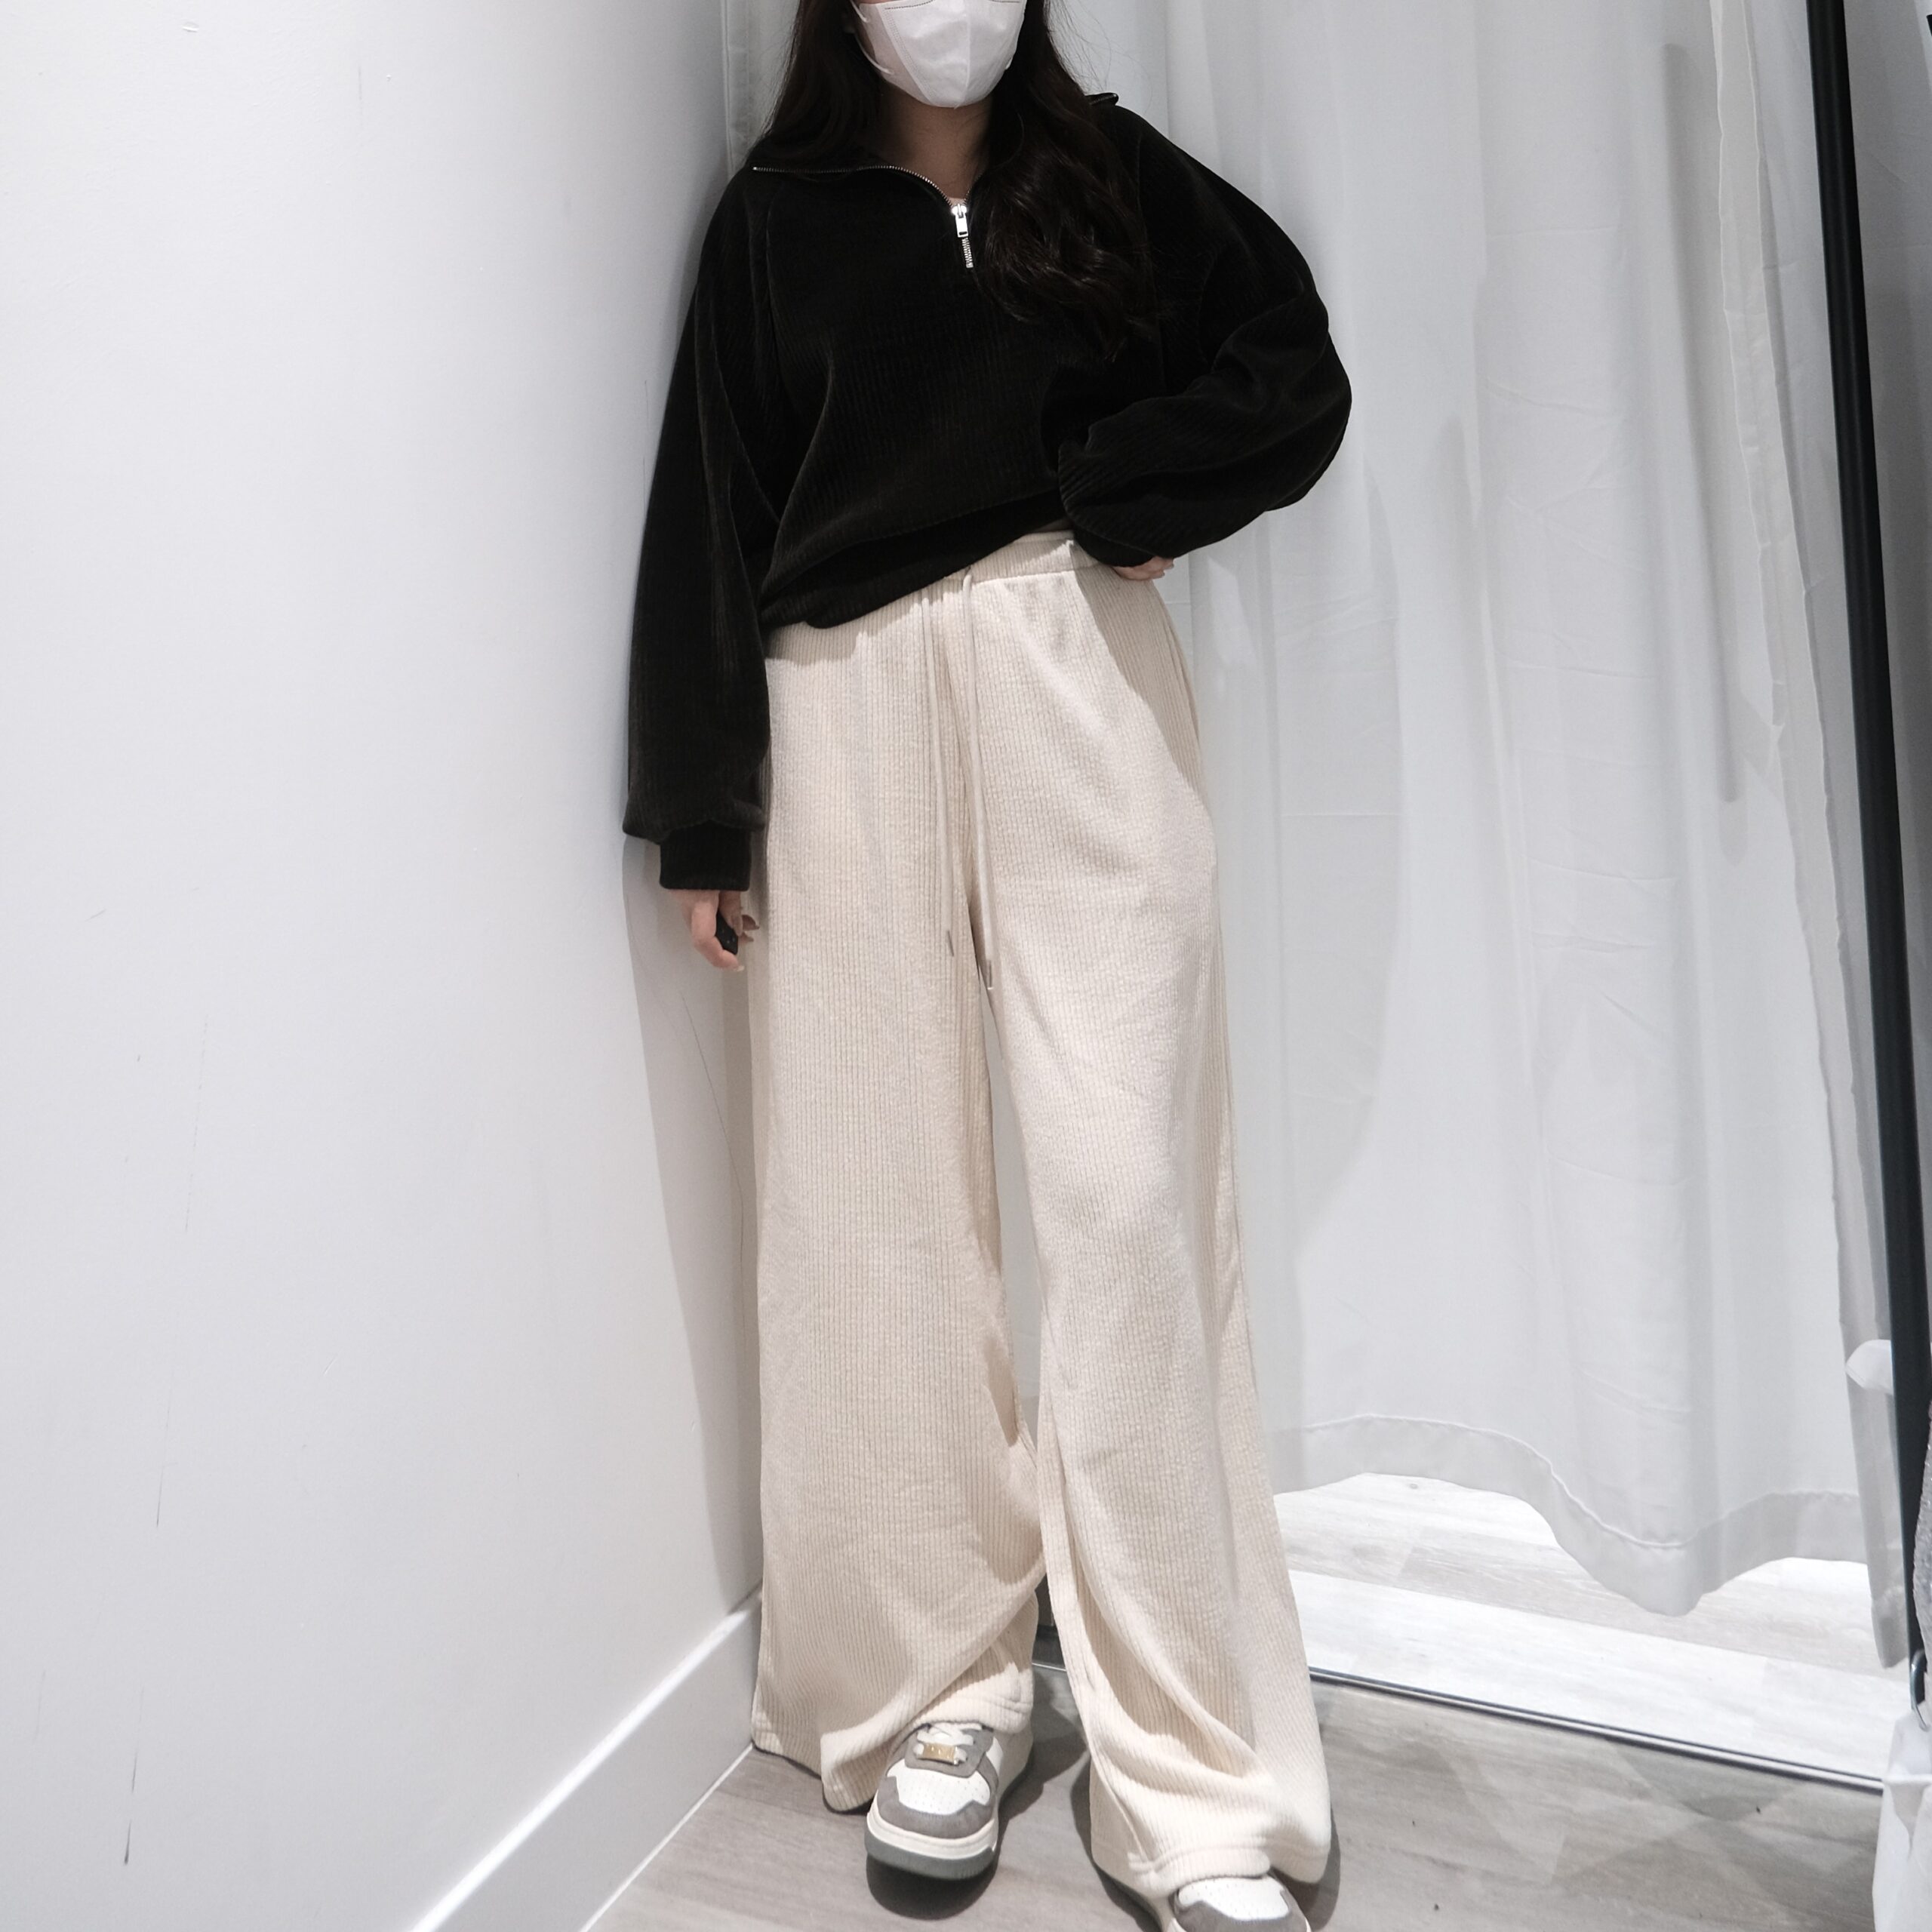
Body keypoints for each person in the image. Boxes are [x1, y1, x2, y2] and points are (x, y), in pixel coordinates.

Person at [623, 3, 1351, 1927]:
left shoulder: (1100, 170)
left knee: (1124, 1202)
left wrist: (1132, 490)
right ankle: (939, 1690)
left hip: (1071, 674)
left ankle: (1188, 1772)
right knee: (878, 1214)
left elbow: (1289, 361)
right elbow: (710, 509)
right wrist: (702, 813)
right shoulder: (776, 218)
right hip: (839, 711)